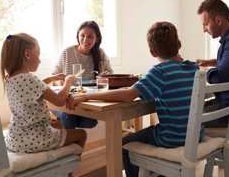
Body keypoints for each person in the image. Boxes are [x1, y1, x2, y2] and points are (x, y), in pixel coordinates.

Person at [66, 21, 201, 177]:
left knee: (124, 144)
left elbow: (127, 95)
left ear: (152, 52)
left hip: (172, 137)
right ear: (179, 44)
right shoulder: (194, 68)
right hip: (196, 134)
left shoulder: (160, 71)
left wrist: (85, 96)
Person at [0, 33, 87, 155]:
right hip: (35, 139)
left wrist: (51, 79)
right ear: (27, 54)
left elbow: (31, 89)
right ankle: (69, 172)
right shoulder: (29, 78)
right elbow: (60, 100)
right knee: (81, 134)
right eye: (38, 54)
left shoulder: (11, 79)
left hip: (16, 137)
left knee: (59, 126)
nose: (40, 60)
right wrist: (68, 82)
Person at [51, 20, 113, 129]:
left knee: (90, 122)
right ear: (77, 36)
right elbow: (54, 78)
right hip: (64, 100)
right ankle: (70, 144)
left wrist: (106, 76)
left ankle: (68, 140)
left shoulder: (100, 54)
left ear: (97, 38)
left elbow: (110, 76)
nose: (85, 40)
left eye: (90, 37)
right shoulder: (67, 52)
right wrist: (63, 82)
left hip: (85, 101)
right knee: (68, 116)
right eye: (82, 35)